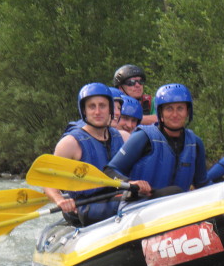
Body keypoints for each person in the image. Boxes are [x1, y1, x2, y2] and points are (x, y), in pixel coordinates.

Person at [44, 83, 147, 226]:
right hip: (87, 207)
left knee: (167, 192)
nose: (97, 111)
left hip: (119, 198)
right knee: (134, 200)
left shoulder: (123, 137)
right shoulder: (70, 143)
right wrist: (59, 200)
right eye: (92, 106)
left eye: (102, 106)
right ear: (84, 111)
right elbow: (48, 181)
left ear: (110, 109)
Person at [105, 83, 210, 198]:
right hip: (140, 206)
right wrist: (129, 183)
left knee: (175, 192)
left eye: (180, 108)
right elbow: (109, 172)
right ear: (160, 113)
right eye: (169, 109)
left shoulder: (195, 143)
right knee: (175, 191)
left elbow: (202, 184)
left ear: (187, 112)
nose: (175, 114)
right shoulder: (143, 137)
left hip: (178, 209)